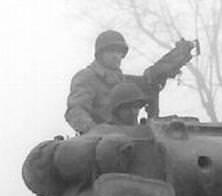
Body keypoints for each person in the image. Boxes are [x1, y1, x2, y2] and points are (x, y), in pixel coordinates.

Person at [64, 30, 196, 134]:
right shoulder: (87, 78)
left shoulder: (124, 82)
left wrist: (175, 59)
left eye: (120, 52)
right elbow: (76, 111)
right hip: (100, 146)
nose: (117, 56)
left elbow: (150, 80)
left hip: (129, 138)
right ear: (100, 54)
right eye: (111, 51)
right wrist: (95, 132)